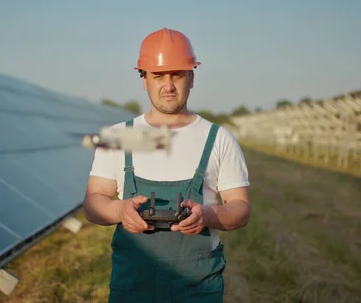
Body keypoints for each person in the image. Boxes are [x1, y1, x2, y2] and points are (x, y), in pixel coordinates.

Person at [83, 27, 251, 303]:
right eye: (158, 76)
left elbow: (241, 209)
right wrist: (119, 209)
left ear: (192, 77)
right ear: (144, 80)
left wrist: (206, 216)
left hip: (197, 289)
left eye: (177, 74)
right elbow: (92, 203)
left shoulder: (219, 138)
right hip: (132, 287)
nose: (169, 85)